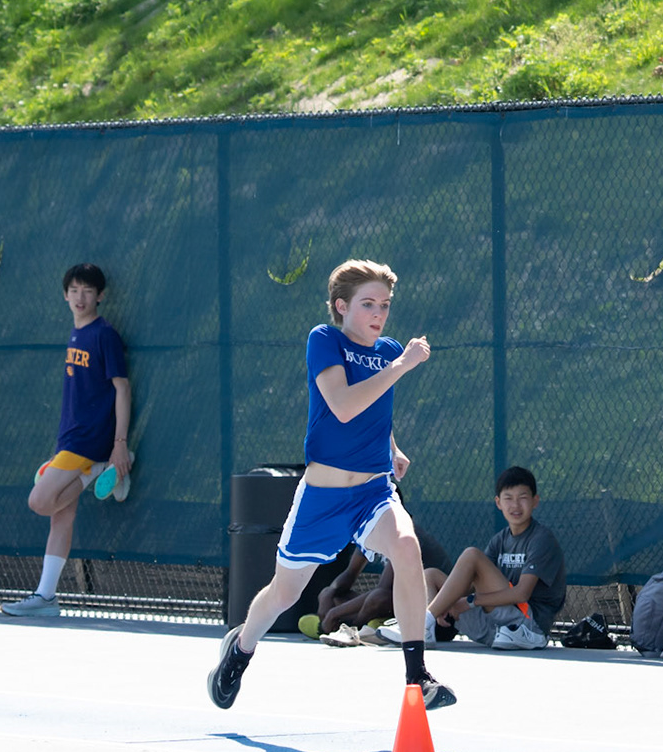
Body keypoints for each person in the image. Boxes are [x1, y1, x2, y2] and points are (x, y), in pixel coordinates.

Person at [206, 259, 454, 710]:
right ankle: (240, 649)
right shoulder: (325, 340)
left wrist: (392, 447)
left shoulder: (387, 351)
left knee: (406, 547)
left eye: (385, 304)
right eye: (368, 304)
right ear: (342, 306)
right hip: (323, 498)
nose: (379, 313)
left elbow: (375, 406)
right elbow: (342, 405)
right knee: (284, 593)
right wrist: (402, 365)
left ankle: (417, 677)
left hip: (372, 492)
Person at [3, 264, 133, 617]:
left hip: (89, 441)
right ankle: (46, 597)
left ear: (100, 296)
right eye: (74, 290)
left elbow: (122, 389)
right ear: (65, 294)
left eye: (88, 291)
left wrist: (119, 442)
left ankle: (93, 472)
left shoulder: (104, 335)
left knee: (39, 501)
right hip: (70, 438)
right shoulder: (76, 334)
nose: (80, 297)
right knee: (61, 517)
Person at [422, 466, 566, 651]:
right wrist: (448, 602)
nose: (515, 505)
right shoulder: (500, 539)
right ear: (498, 503)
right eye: (508, 498)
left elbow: (521, 594)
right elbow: (472, 584)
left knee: (472, 555)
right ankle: (428, 627)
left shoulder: (541, 539)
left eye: (522, 498)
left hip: (528, 626)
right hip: (495, 626)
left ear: (535, 501)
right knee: (430, 575)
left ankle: (423, 621)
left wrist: (470, 601)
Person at [303, 519, 450, 646]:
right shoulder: (371, 530)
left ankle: (352, 630)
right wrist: (330, 591)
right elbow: (350, 573)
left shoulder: (404, 534)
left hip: (437, 620)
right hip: (396, 603)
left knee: (377, 597)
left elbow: (383, 590)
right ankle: (372, 626)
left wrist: (334, 613)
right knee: (335, 597)